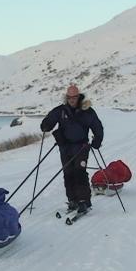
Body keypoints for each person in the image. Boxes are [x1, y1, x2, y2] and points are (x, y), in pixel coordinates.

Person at [40, 84, 103, 214]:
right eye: (69, 97)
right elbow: (49, 121)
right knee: (68, 173)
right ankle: (73, 200)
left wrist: (97, 141)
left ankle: (84, 202)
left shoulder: (88, 111)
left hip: (81, 147)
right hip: (65, 147)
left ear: (79, 97)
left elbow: (97, 127)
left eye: (74, 97)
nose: (72, 100)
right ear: (66, 98)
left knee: (80, 172)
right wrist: (46, 125)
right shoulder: (61, 110)